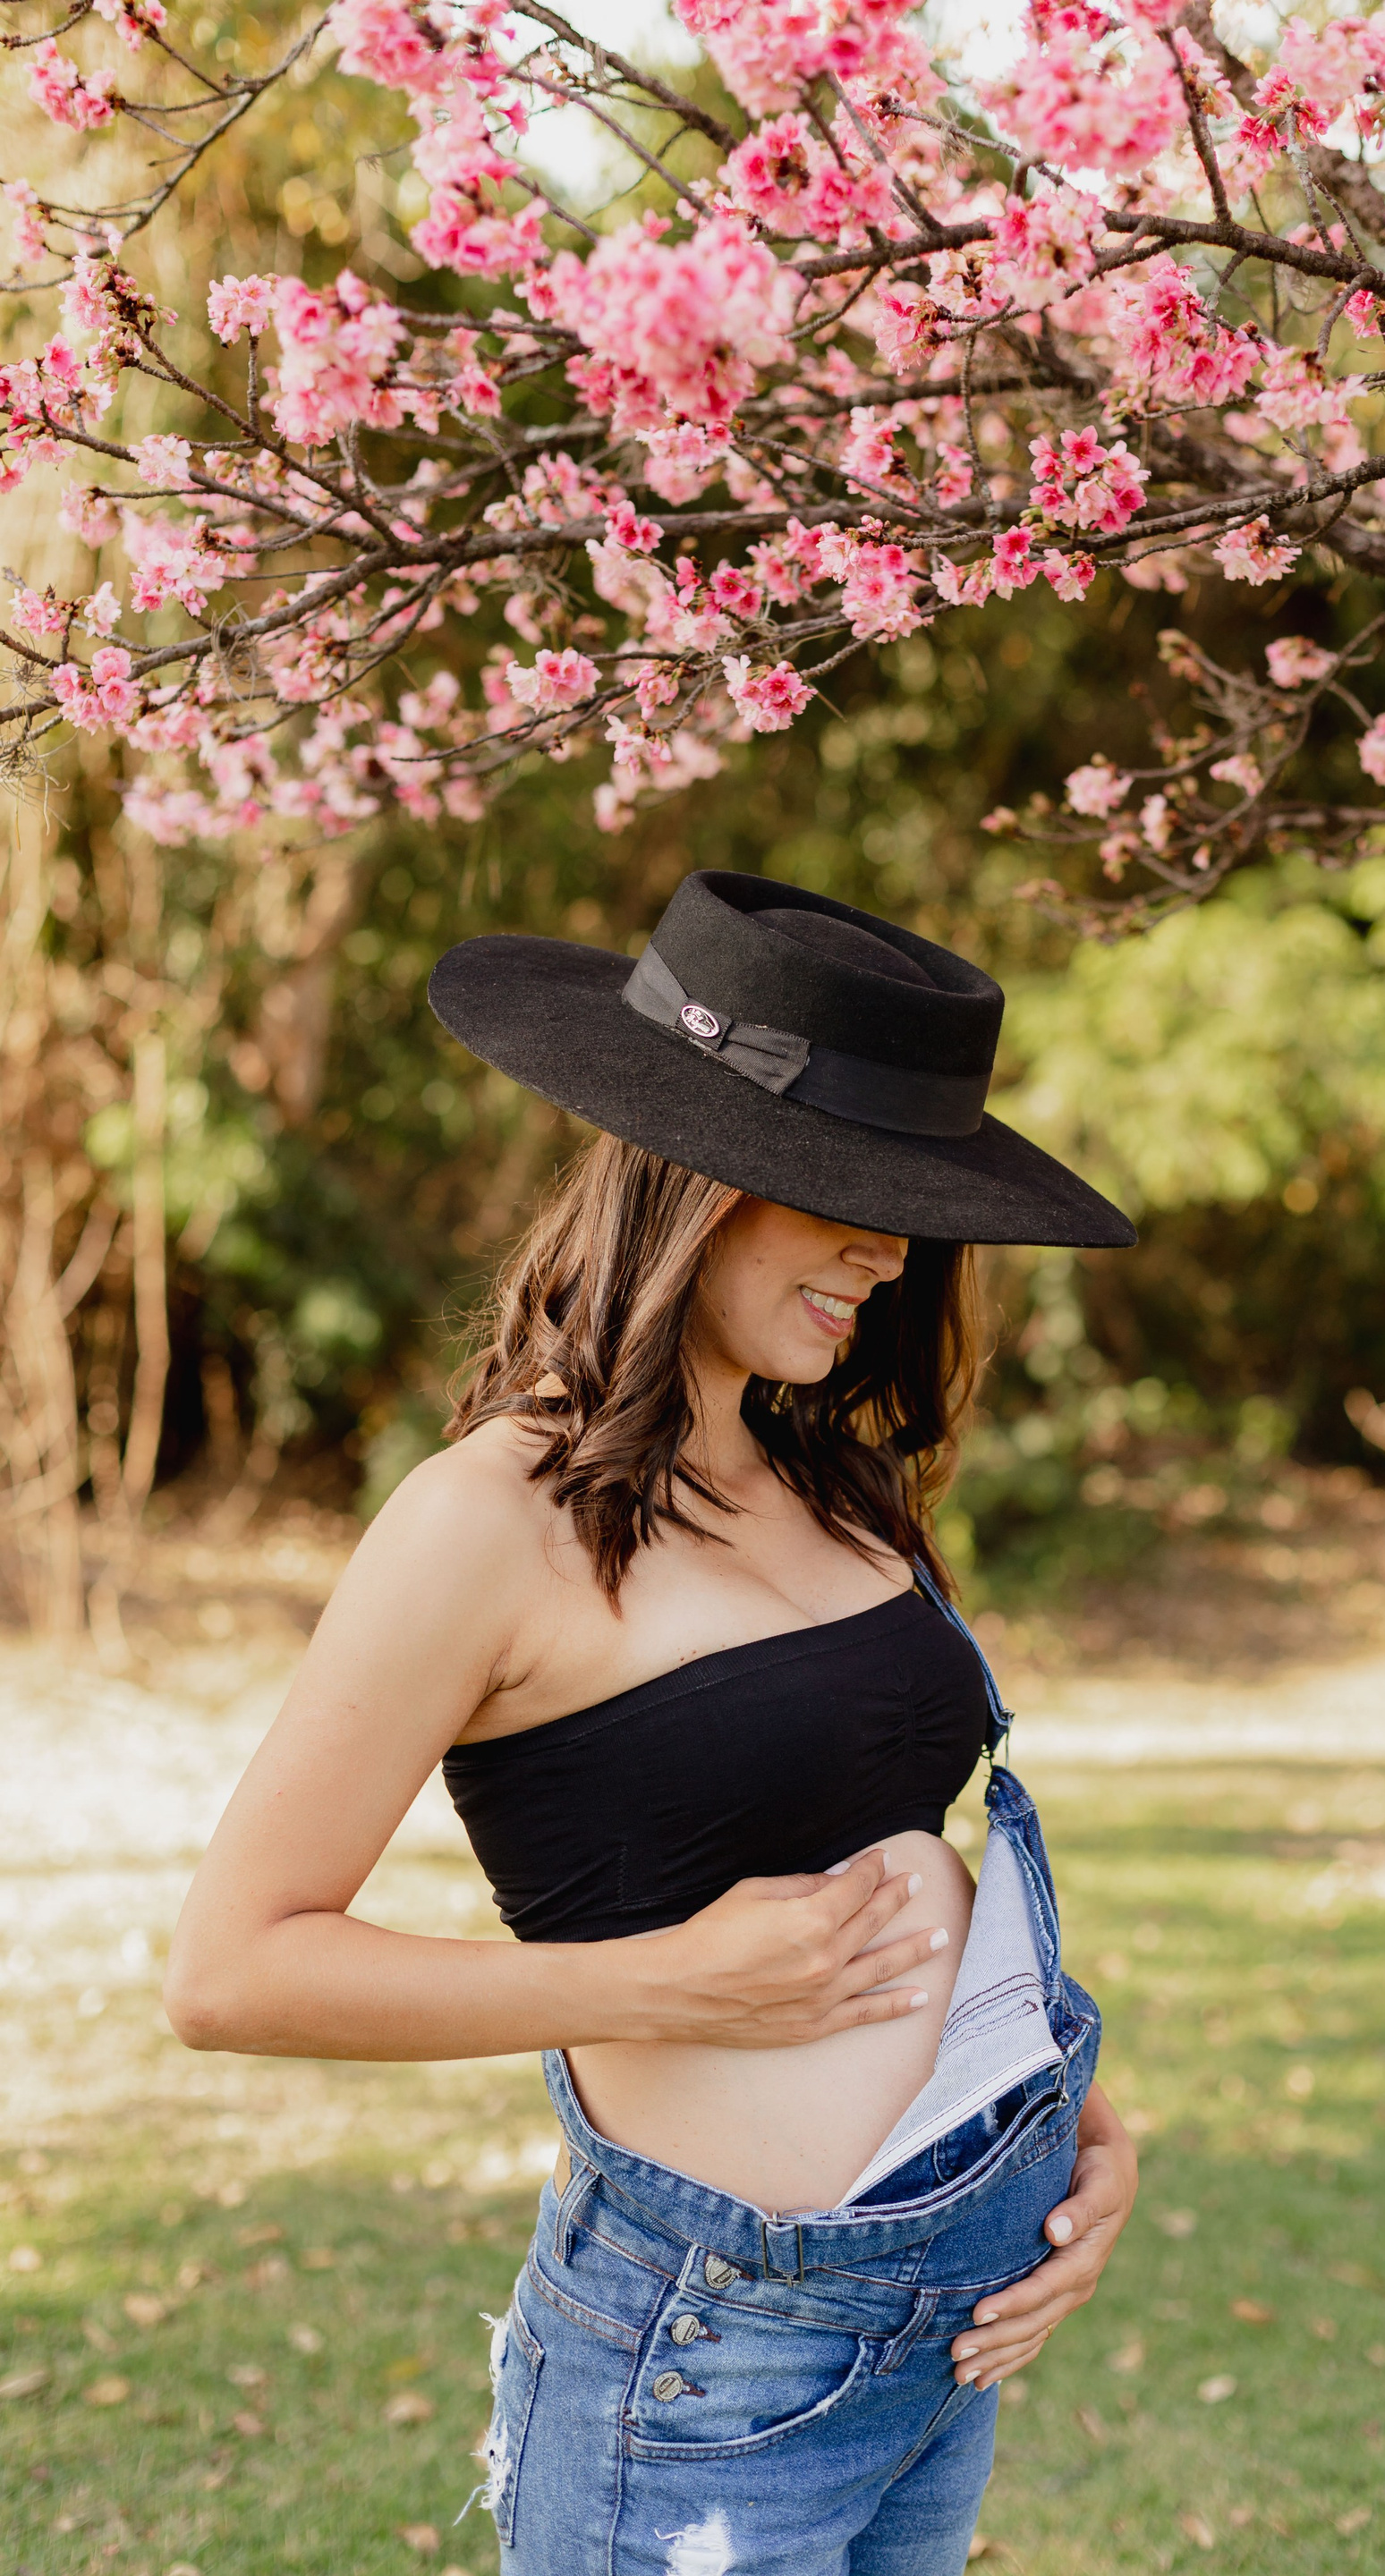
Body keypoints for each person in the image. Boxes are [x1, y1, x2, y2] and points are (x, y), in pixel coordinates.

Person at [166, 870, 1141, 2575]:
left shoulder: (836, 1483)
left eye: (909, 1210)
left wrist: (1070, 2133)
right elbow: (231, 1973)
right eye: (850, 1196)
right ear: (695, 1173)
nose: (890, 1252)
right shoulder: (486, 1521)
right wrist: (665, 1982)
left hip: (944, 2351)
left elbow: (897, 1847)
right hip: (706, 2378)